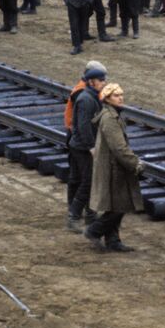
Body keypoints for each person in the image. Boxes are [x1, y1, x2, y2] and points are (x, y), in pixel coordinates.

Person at [85, 83, 143, 253]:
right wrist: (135, 163)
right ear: (107, 99)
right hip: (113, 169)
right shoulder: (110, 118)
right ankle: (93, 231)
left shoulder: (113, 115)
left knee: (115, 205)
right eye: (116, 95)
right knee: (119, 206)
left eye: (121, 94)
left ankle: (113, 240)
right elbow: (118, 147)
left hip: (113, 167)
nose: (121, 98)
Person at [65, 65, 106, 231]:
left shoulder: (91, 96)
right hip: (82, 148)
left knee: (83, 180)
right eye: (100, 80)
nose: (103, 83)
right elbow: (82, 126)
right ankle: (74, 215)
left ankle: (90, 215)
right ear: (91, 82)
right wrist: (91, 146)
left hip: (79, 145)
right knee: (88, 182)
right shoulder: (86, 99)